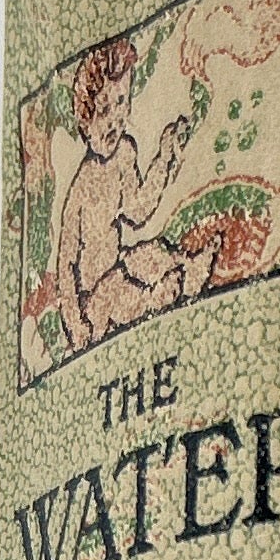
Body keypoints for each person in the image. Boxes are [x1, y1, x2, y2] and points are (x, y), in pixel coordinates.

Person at [52, 35, 198, 349]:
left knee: (153, 252)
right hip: (95, 301)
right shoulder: (80, 190)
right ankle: (163, 295)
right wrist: (76, 327)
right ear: (86, 119)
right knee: (122, 292)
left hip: (117, 268)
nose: (113, 121)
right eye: (104, 109)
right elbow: (65, 266)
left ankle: (186, 269)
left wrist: (164, 157)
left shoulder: (124, 152)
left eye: (121, 103)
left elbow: (137, 211)